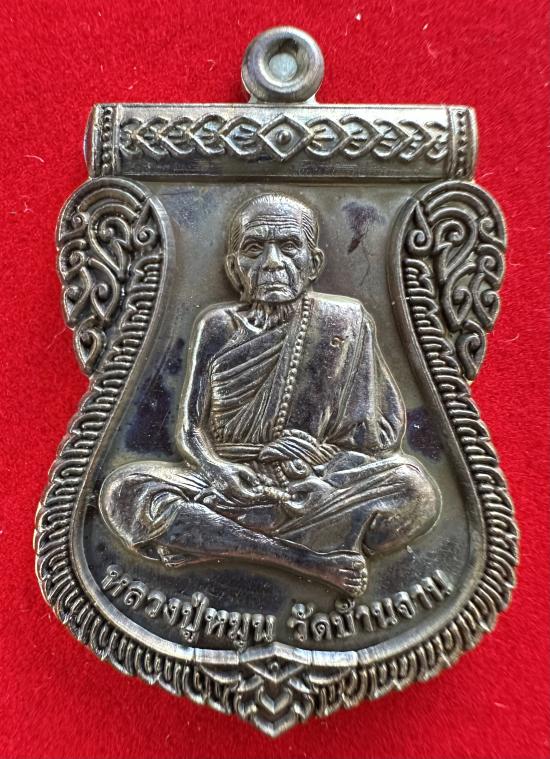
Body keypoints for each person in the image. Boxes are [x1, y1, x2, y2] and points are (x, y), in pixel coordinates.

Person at [100, 193, 440, 596]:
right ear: (234, 267)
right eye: (254, 249)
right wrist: (217, 469)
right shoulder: (217, 326)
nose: (273, 263)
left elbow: (378, 437)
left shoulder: (343, 323)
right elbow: (189, 429)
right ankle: (304, 560)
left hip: (310, 484)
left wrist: (320, 458)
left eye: (289, 246)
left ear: (313, 263)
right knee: (124, 491)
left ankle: (216, 540)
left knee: (413, 489)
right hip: (228, 485)